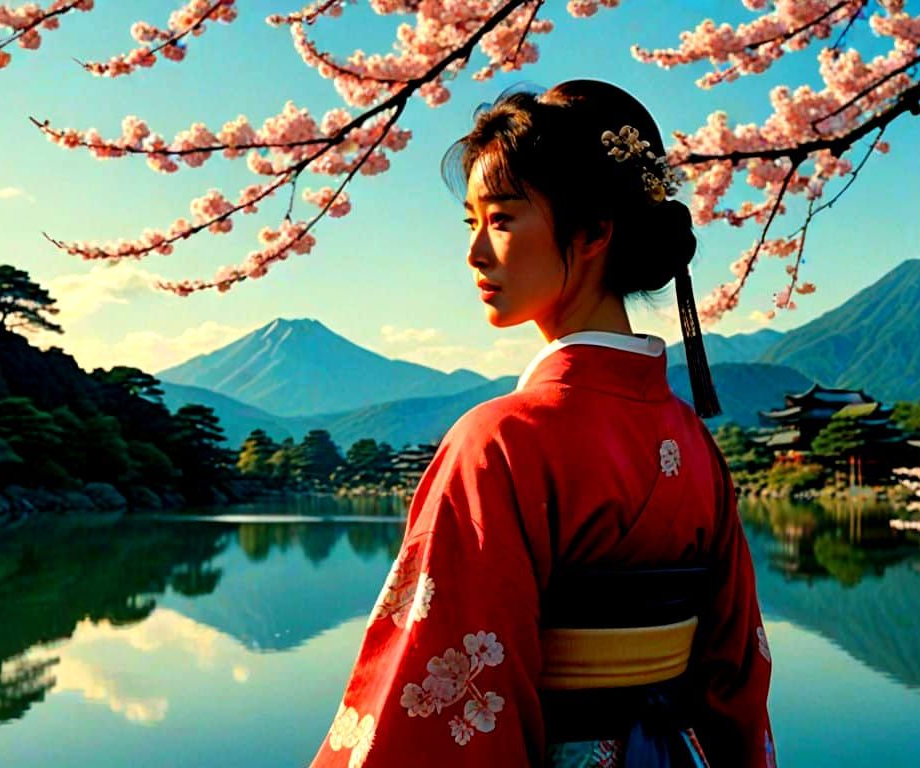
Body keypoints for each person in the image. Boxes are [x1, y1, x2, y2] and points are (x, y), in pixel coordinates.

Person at [309, 79, 774, 768]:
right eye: (470, 222)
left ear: (592, 231)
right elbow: (737, 681)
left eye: (500, 218)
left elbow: (447, 705)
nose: (474, 253)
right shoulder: (693, 443)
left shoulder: (499, 442)